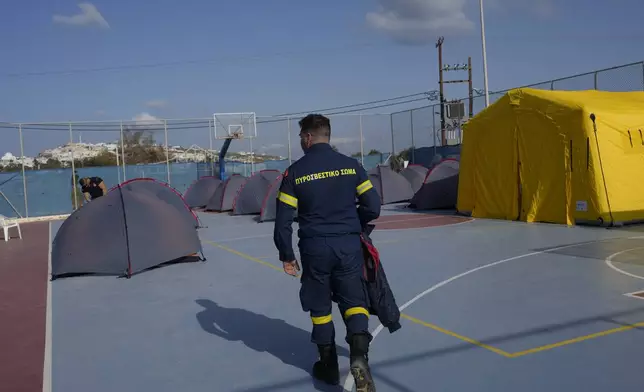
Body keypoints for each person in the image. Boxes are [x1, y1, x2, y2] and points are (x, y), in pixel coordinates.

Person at [273, 114, 381, 391]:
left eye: (300, 137)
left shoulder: (295, 172)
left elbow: (283, 221)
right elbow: (373, 206)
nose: (300, 141)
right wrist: (358, 227)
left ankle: (328, 366)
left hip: (314, 248)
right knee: (354, 300)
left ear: (308, 137)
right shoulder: (351, 166)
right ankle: (359, 359)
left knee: (320, 306)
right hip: (347, 245)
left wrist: (287, 255)